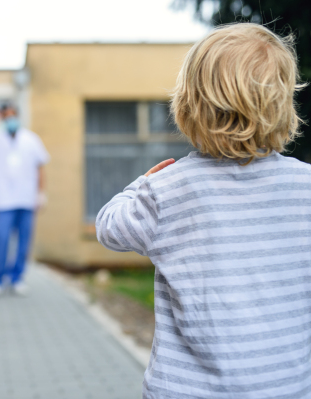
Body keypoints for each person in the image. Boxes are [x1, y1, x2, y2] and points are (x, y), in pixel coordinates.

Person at [96, 24, 311, 398]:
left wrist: (140, 183)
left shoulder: (167, 189)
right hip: (287, 385)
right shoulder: (306, 185)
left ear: (189, 104)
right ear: (281, 102)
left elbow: (108, 228)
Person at [0, 104, 49, 296]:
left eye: (13, 116)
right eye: (6, 116)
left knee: (24, 241)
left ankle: (17, 277)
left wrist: (41, 194)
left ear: (18, 116)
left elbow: (40, 167)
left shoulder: (31, 139)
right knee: (1, 238)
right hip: (4, 200)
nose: (10, 119)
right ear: (2, 118)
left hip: (26, 199)